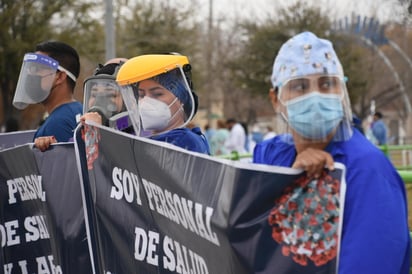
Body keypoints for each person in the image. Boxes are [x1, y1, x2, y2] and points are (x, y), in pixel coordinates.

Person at [253, 31, 409, 273]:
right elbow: (247, 235)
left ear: (342, 90)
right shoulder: (272, 155)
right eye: (299, 86)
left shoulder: (367, 170)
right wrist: (290, 179)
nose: (315, 97)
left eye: (327, 84)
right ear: (276, 99)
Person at [114, 54, 210, 154]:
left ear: (181, 99)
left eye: (157, 94)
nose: (146, 102)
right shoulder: (155, 139)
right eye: (141, 95)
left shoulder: (185, 142)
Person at [12, 41, 82, 151]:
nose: (30, 75)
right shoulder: (80, 110)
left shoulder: (56, 124)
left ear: (59, 77)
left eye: (37, 69)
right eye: (30, 69)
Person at [80, 58, 132, 132]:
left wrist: (96, 133)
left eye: (111, 94)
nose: (99, 100)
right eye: (94, 95)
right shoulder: (79, 137)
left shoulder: (143, 137)